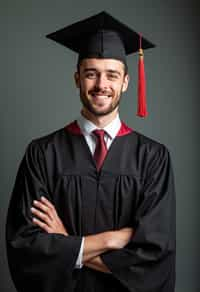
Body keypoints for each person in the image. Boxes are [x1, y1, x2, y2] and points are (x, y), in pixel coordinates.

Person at [6, 11, 176, 292]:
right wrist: (110, 240)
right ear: (77, 79)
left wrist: (67, 243)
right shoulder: (42, 154)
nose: (101, 85)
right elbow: (26, 246)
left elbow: (154, 257)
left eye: (112, 75)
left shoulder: (153, 158)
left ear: (125, 82)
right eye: (91, 74)